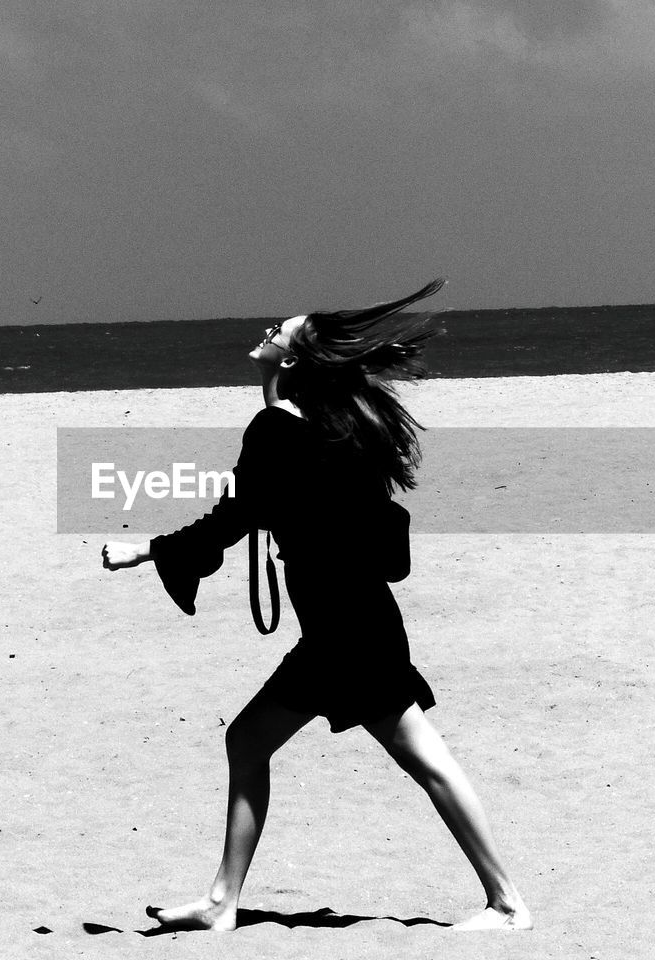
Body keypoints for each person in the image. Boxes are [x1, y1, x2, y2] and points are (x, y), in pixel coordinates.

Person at [101, 279, 531, 933]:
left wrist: (148, 552)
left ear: (295, 361)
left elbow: (232, 518)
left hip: (346, 630)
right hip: (351, 621)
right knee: (250, 742)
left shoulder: (278, 426)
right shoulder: (333, 425)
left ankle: (507, 904)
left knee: (423, 760)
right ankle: (222, 902)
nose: (267, 333)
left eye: (280, 332)